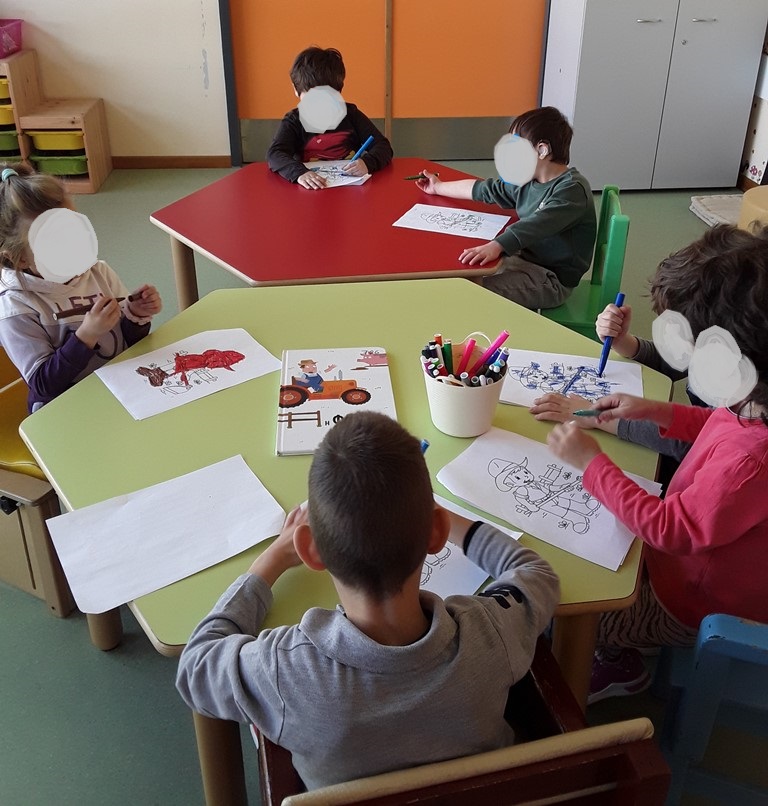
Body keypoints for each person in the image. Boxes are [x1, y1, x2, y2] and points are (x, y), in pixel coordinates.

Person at [175, 411, 559, 790]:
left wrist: (272, 559)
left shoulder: (285, 671)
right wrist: (433, 517)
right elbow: (535, 573)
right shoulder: (491, 632)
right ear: (436, 532)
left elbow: (196, 667)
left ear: (309, 550)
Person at [540, 224, 768, 704]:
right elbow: (717, 423)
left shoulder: (750, 461)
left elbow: (670, 529)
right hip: (688, 562)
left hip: (690, 600)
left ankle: (619, 659)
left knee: (565, 616)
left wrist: (592, 465)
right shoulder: (754, 399)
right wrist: (654, 410)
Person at [0, 164, 162, 412]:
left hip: (119, 389)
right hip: (65, 410)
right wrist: (86, 336)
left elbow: (125, 343)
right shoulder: (15, 306)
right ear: (19, 259)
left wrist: (136, 315)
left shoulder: (98, 271)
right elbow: (43, 385)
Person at [416, 106, 596, 310]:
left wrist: (498, 245)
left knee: (471, 293)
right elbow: (487, 190)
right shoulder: (530, 180)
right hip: (519, 260)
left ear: (542, 150)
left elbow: (537, 225)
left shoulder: (572, 190)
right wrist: (438, 187)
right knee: (458, 276)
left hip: (550, 280)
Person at [266, 46, 393, 190]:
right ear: (296, 89)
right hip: (309, 192)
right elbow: (275, 154)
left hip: (349, 189)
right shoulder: (294, 121)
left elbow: (383, 147)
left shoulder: (351, 114)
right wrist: (299, 173)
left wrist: (367, 163)